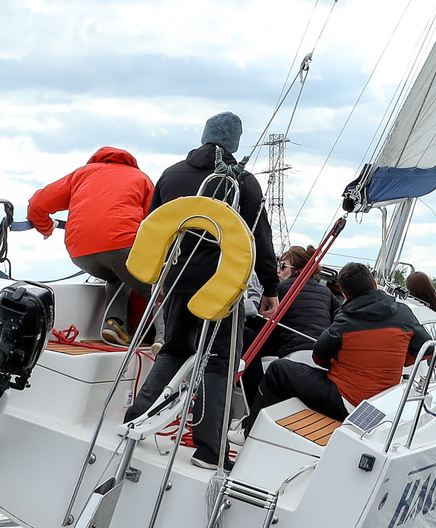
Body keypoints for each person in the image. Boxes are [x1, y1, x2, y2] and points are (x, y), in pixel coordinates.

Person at [125, 113, 280, 467]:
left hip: (179, 281)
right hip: (222, 288)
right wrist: (270, 286)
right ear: (235, 143)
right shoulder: (246, 184)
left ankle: (136, 416)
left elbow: (155, 230)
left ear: (204, 136)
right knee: (219, 364)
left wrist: (160, 280)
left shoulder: (172, 174)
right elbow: (259, 239)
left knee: (174, 351)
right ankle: (209, 450)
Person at [246, 261, 427, 429]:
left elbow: (318, 357)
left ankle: (250, 429)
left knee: (278, 369)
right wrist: (397, 360)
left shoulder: (346, 319)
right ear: (373, 283)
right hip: (381, 404)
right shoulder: (404, 314)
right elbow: (428, 349)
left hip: (346, 402)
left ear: (345, 294)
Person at [26, 147, 155, 344]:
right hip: (122, 245)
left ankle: (114, 323)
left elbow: (37, 204)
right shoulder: (141, 178)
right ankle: (165, 340)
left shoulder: (81, 174)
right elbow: (153, 224)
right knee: (156, 288)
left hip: (80, 252)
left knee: (117, 276)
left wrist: (46, 229)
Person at [252, 245, 337, 362]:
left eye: (282, 266)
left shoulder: (278, 290)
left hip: (293, 354)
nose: (277, 270)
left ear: (299, 268)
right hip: (323, 357)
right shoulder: (327, 292)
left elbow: (260, 321)